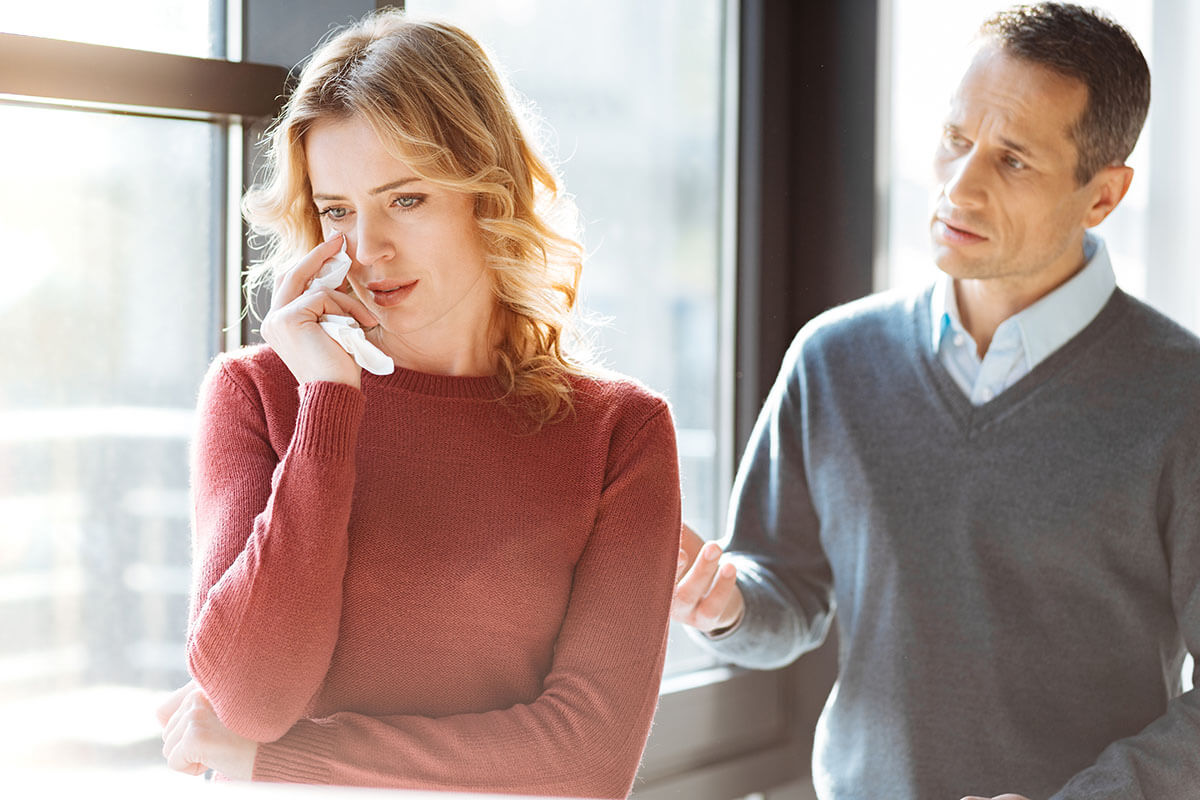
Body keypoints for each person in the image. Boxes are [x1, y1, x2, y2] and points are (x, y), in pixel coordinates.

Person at [672, 4, 1199, 799]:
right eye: (956, 139)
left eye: (1013, 160)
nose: (960, 187)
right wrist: (724, 605)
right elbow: (784, 593)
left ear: (1103, 196)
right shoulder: (833, 359)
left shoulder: (1182, 397)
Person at [154, 11, 682, 798]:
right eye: (336, 210)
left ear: (487, 195)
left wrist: (285, 760)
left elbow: (586, 759)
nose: (367, 250)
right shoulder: (257, 395)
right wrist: (329, 402)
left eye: (405, 200)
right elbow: (252, 697)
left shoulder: (619, 432)